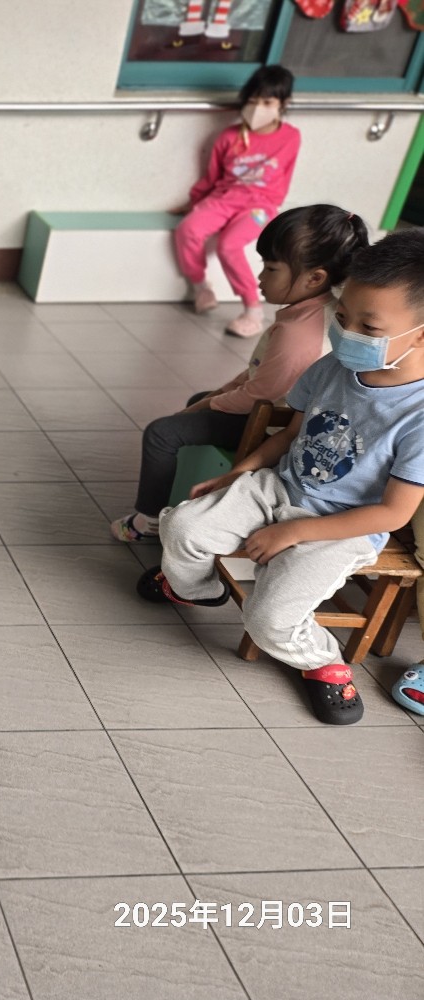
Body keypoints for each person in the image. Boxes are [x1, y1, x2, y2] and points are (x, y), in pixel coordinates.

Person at [138, 228, 424, 726]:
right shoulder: (332, 367)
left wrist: (293, 532)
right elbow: (292, 434)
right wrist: (240, 472)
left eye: (369, 327)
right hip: (279, 487)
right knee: (180, 527)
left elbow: (393, 513)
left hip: (346, 526)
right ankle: (196, 590)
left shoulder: (417, 415)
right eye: (342, 318)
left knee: (269, 620)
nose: (347, 333)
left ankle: (324, 663)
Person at [113, 204, 369, 543]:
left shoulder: (298, 333)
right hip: (275, 411)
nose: (260, 277)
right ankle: (182, 494)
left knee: (162, 433)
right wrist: (212, 398)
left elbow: (259, 396)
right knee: (200, 400)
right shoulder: (316, 310)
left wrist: (206, 405)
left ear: (314, 278)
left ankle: (147, 522)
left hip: (273, 425)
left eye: (271, 268)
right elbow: (258, 373)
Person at [174, 64, 300, 338]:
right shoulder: (229, 137)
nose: (258, 108)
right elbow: (211, 177)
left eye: (267, 102)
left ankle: (253, 310)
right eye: (253, 101)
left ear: (283, 103)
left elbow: (285, 176)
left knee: (229, 245)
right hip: (223, 198)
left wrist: (271, 204)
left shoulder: (291, 137)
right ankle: (201, 287)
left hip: (260, 205)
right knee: (188, 229)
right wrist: (194, 203)